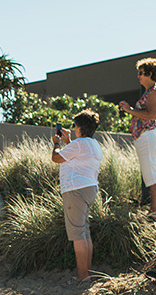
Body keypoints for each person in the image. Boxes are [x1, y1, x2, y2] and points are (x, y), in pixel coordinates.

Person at [51, 109, 103, 283]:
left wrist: (56, 143)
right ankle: (87, 273)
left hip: (76, 190)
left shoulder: (80, 143)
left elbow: (56, 158)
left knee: (78, 234)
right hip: (89, 189)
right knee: (84, 231)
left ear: (80, 127)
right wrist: (68, 141)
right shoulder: (93, 144)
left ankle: (82, 276)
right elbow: (78, 155)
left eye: (74, 126)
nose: (73, 129)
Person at [118, 58, 156, 220]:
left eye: (140, 73)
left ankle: (155, 212)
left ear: (150, 74)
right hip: (145, 136)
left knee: (151, 172)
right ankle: (155, 210)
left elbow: (151, 115)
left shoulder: (154, 92)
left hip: (148, 135)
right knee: (149, 172)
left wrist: (130, 110)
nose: (138, 76)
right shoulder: (150, 91)